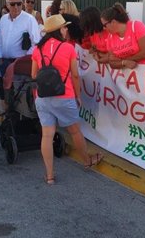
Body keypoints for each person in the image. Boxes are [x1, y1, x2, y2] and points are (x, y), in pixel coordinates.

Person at [31, 14, 103, 184]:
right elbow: (76, 76)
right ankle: (87, 161)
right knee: (75, 131)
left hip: (42, 98)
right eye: (64, 27)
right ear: (58, 30)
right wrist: (78, 96)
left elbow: (34, 75)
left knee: (47, 136)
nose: (66, 29)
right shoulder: (68, 48)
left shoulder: (37, 49)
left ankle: (49, 175)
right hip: (64, 96)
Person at [0, 0, 41, 107]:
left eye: (19, 3)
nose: (16, 7)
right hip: (5, 61)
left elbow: (36, 43)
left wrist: (24, 59)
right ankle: (6, 117)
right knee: (4, 90)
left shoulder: (29, 19)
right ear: (7, 4)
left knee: (18, 93)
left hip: (19, 63)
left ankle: (16, 119)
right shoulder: (3, 19)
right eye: (12, 4)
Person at [100, 3, 145, 69]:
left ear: (113, 22)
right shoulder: (110, 37)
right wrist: (124, 62)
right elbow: (112, 63)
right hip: (133, 73)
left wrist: (125, 60)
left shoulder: (136, 26)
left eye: (104, 25)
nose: (104, 28)